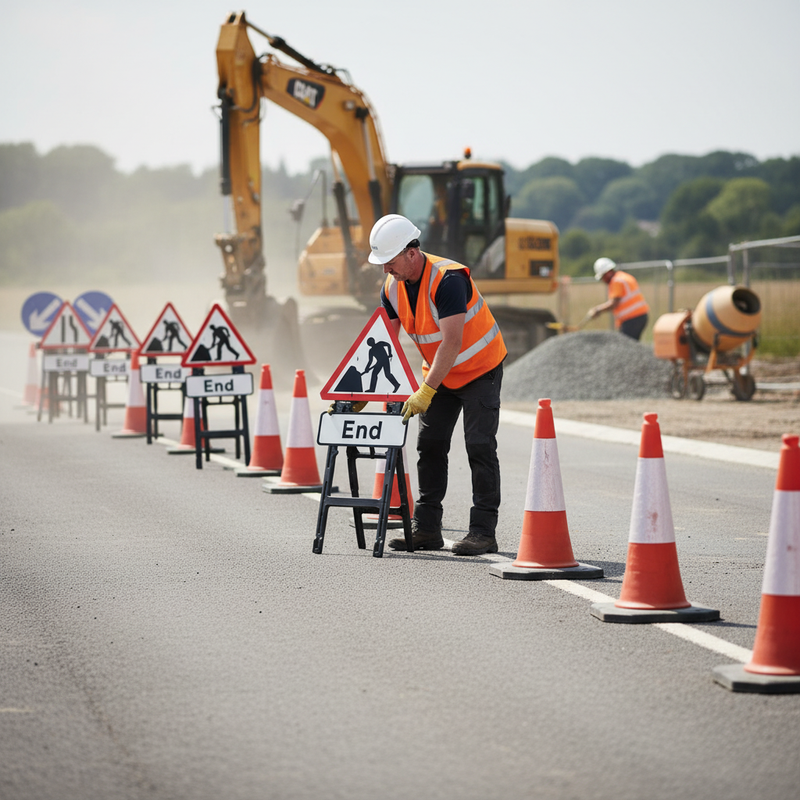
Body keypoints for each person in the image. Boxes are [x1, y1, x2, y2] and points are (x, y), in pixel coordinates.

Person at [368, 213, 507, 556]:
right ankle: (427, 528)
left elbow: (452, 341)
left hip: (479, 369)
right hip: (441, 373)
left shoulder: (449, 279)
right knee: (429, 446)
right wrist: (362, 392)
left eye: (390, 262)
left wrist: (426, 390)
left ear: (411, 253)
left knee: (479, 447)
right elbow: (385, 341)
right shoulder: (391, 288)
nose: (385, 269)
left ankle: (483, 532)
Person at [588, 257, 650, 340]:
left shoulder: (616, 281)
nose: (603, 280)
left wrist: (597, 310)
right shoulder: (624, 276)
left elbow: (614, 303)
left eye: (603, 277)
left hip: (631, 319)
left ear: (608, 273)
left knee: (625, 344)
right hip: (641, 316)